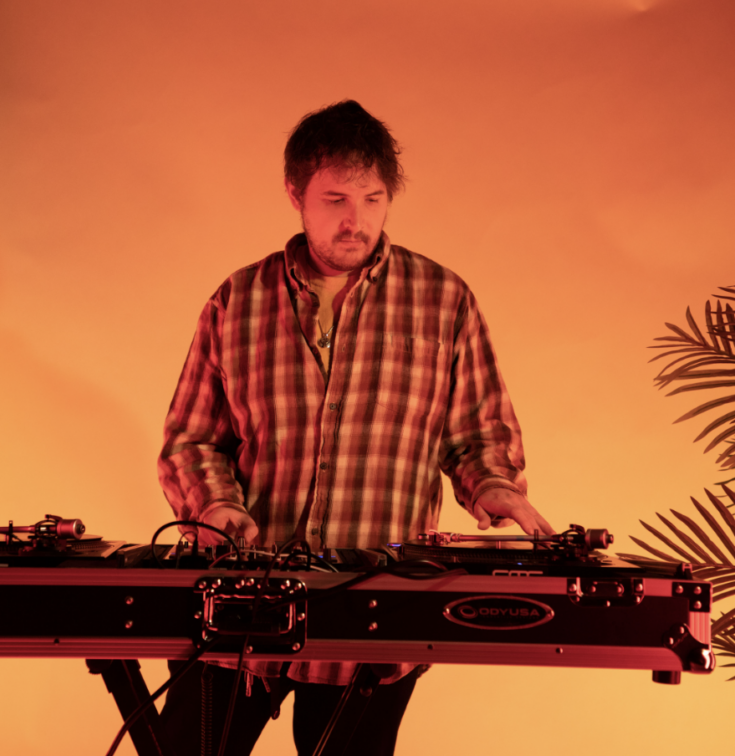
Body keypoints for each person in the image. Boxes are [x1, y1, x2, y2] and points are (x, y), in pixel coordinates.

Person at [156, 100, 554, 756]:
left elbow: (477, 436)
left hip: (375, 616)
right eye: (336, 199)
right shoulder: (237, 300)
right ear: (296, 195)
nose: (356, 220)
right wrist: (216, 507)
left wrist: (494, 486)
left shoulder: (444, 299)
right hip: (241, 604)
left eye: (373, 200)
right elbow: (192, 440)